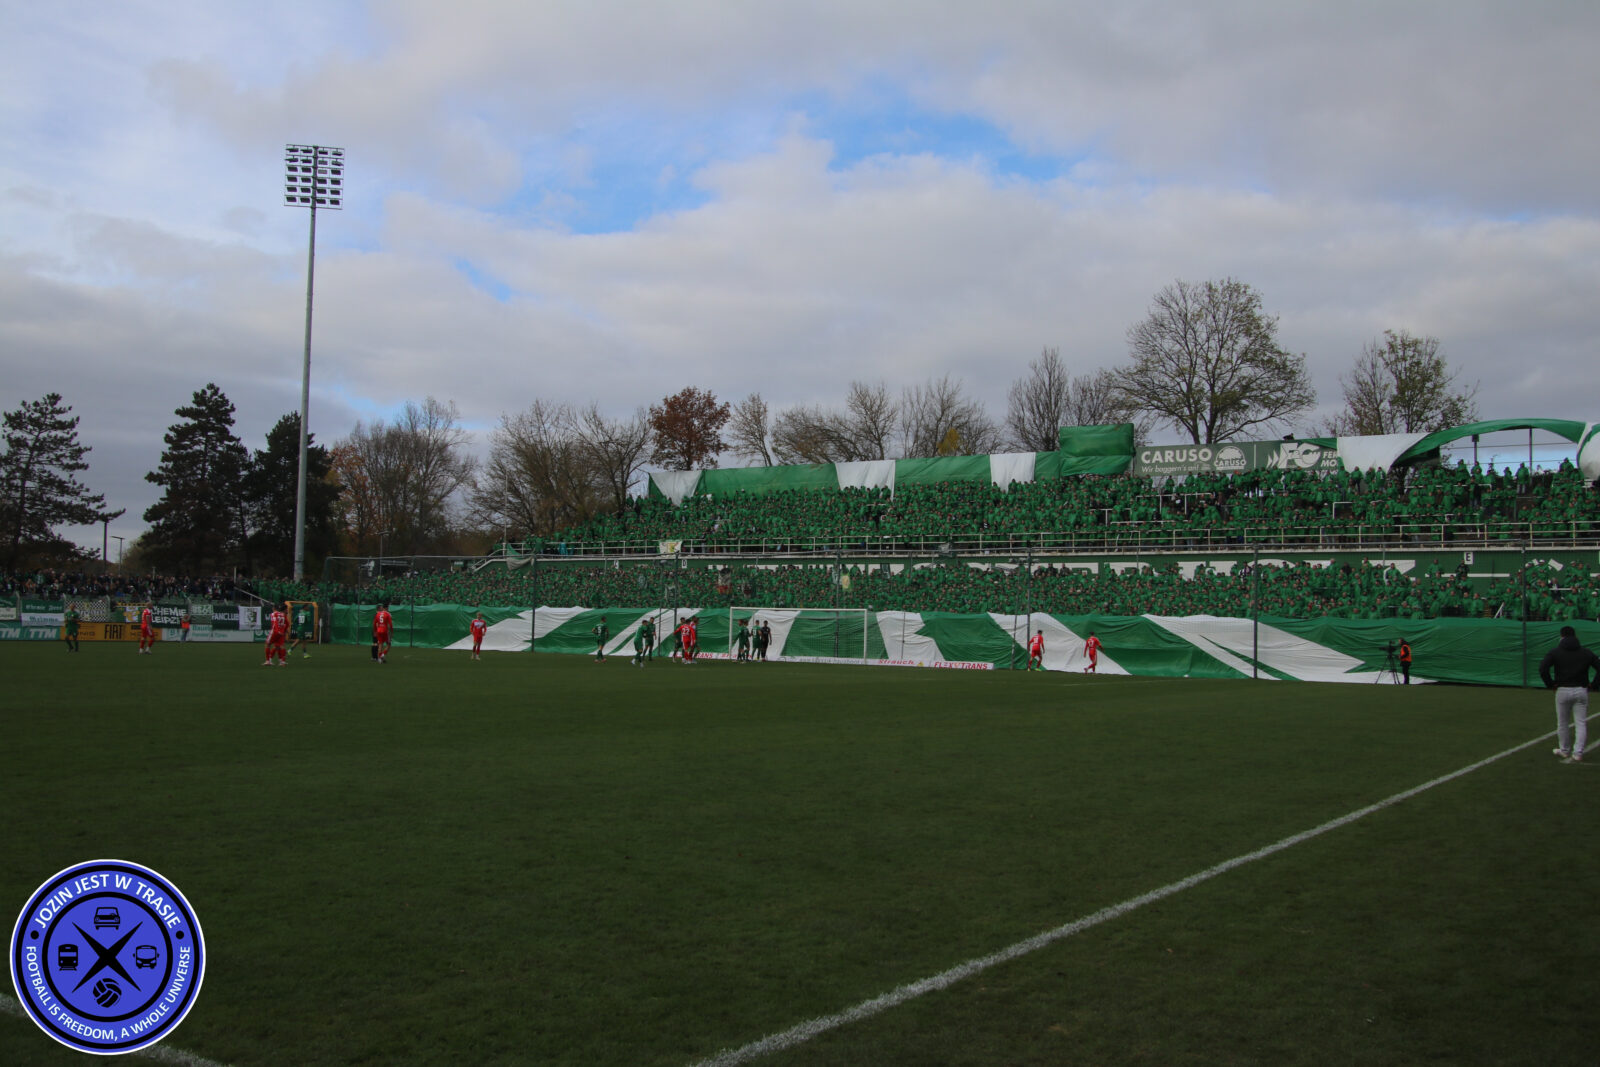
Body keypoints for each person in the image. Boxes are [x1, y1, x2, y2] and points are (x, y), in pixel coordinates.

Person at [1540, 625, 1600, 763]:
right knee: (1580, 723)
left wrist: (1550, 684)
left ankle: (1565, 750)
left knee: (1562, 723)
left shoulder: (1555, 652)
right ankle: (1578, 752)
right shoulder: (1586, 652)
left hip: (1562, 690)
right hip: (1581, 690)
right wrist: (1594, 685)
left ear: (1561, 636)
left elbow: (1543, 669)